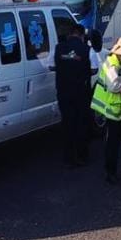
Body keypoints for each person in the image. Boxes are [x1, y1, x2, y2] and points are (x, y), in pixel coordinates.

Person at [91, 36, 121, 184]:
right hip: (114, 110)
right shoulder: (111, 64)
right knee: (113, 143)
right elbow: (114, 87)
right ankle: (110, 172)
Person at [53, 23, 92, 166]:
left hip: (63, 92)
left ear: (70, 34)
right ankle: (82, 156)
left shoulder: (58, 48)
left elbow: (53, 65)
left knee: (67, 124)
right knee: (81, 123)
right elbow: (93, 69)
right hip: (80, 92)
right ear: (82, 35)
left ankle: (68, 158)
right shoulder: (86, 49)